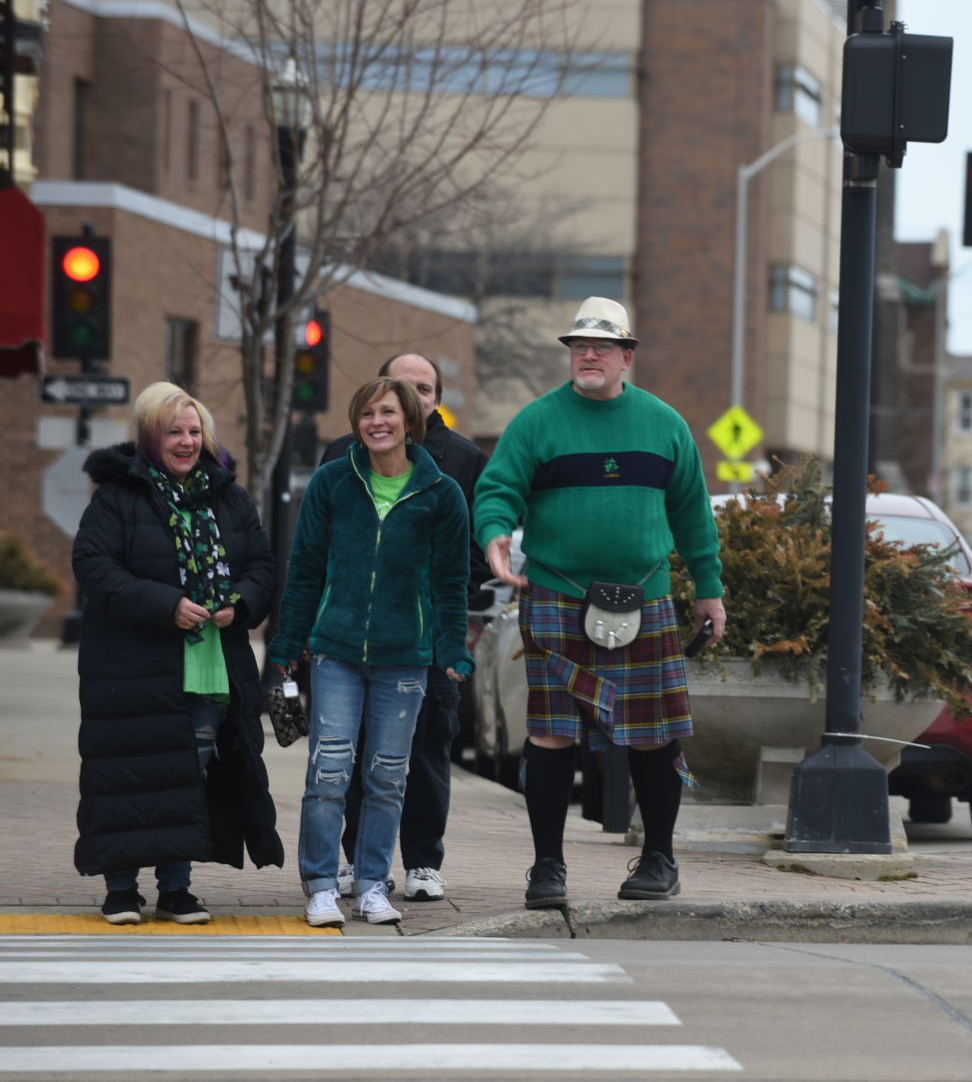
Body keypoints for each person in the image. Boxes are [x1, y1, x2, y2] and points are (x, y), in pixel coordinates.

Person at [475, 295, 726, 908]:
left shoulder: (665, 424)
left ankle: (659, 859)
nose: (589, 355)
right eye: (580, 346)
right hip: (558, 596)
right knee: (551, 734)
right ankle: (547, 869)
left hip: (647, 598)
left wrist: (710, 591)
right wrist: (496, 535)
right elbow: (498, 489)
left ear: (626, 357)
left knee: (653, 736)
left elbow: (693, 515)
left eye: (603, 346)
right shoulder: (536, 422)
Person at [71, 382, 282, 924]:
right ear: (149, 436)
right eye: (174, 432)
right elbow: (96, 569)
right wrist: (167, 604)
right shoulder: (117, 497)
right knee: (129, 773)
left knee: (188, 774)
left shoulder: (229, 498)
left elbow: (261, 565)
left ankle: (176, 888)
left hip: (210, 667)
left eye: (194, 431)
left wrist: (242, 602)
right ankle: (121, 889)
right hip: (132, 669)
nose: (187, 442)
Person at [268, 377, 474, 927]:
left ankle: (371, 884)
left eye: (387, 412)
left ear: (410, 420)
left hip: (406, 655)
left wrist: (452, 649)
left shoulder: (442, 493)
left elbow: (453, 583)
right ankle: (319, 884)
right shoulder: (334, 481)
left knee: (388, 774)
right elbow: (305, 569)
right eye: (366, 414)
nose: (376, 422)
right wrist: (287, 643)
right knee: (329, 769)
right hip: (335, 652)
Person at [314, 352, 491, 904]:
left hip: (427, 639)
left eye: (425, 388)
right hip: (350, 638)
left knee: (426, 749)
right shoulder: (341, 459)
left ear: (436, 399)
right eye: (402, 388)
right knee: (348, 753)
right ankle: (355, 863)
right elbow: (312, 554)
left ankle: (422, 862)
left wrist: (444, 616)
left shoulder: (461, 461)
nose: (413, 399)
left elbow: (477, 553)